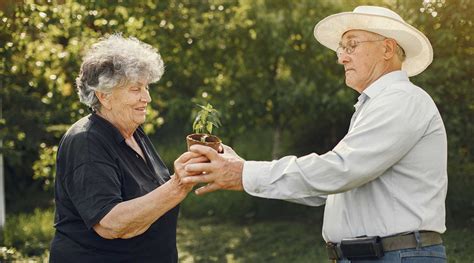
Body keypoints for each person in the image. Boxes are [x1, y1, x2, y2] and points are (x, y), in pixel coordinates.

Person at [176, 6, 448, 262]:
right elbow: (326, 188)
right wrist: (243, 170)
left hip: (395, 256)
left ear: (387, 48)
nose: (341, 56)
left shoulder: (401, 99)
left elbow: (343, 170)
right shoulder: (378, 105)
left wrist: (244, 172)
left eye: (351, 45)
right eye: (342, 48)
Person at [49, 34, 199, 262]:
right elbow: (111, 224)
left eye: (146, 87)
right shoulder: (87, 141)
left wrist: (185, 175)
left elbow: (149, 194)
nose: (147, 97)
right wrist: (177, 186)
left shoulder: (133, 131)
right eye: (135, 89)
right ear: (104, 96)